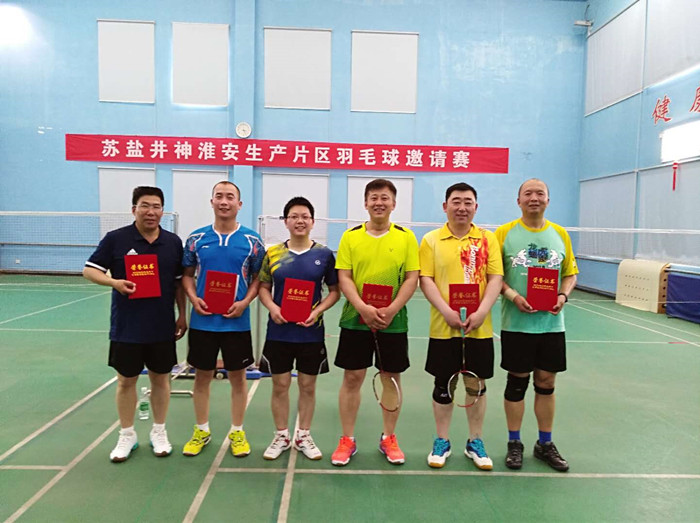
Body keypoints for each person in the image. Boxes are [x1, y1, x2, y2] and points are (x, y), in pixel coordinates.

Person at [83, 186, 187, 463]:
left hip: (161, 325)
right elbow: (89, 270)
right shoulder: (116, 239)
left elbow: (178, 283)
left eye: (156, 206)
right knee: (126, 380)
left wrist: (182, 314)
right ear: (134, 209)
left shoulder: (173, 242)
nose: (151, 211)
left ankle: (159, 431)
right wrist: (114, 282)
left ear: (162, 211)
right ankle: (127, 434)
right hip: (127, 325)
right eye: (145, 206)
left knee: (161, 379)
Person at [331, 178, 420, 466]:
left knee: (390, 378)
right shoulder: (350, 237)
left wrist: (391, 309)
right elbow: (344, 276)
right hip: (355, 319)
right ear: (365, 203)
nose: (379, 203)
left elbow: (412, 278)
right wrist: (362, 307)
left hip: (393, 321)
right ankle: (347, 439)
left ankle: (389, 437)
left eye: (384, 198)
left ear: (393, 203)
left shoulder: (406, 237)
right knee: (352, 378)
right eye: (374, 198)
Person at [495, 178, 578, 472]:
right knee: (517, 382)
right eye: (528, 193)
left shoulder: (560, 234)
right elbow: (494, 277)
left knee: (546, 382)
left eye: (540, 193)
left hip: (551, 325)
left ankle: (544, 443)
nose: (534, 198)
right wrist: (513, 296)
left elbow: (570, 273)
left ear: (547, 200)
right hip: (516, 324)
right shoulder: (504, 233)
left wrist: (563, 295)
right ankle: (514, 443)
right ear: (518, 201)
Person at [419, 182, 503, 469]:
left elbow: (495, 278)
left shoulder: (488, 239)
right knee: (443, 384)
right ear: (445, 206)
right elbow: (426, 279)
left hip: (479, 327)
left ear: (476, 207)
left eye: (468, 202)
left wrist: (482, 311)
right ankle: (442, 440)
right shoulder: (431, 240)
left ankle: (475, 441)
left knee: (476, 385)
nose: (462, 207)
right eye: (456, 201)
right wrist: (446, 311)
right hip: (443, 326)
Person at [181, 181, 265, 458]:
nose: (224, 201)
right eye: (219, 196)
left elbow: (258, 279)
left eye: (230, 197)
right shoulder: (196, 239)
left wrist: (245, 302)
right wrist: (193, 299)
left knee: (238, 378)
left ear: (239, 204)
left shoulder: (252, 241)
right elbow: (187, 275)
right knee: (201, 377)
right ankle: (201, 430)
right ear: (212, 201)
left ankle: (237, 431)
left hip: (236, 322)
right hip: (203, 321)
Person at [257, 197, 340, 461]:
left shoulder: (324, 255)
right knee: (280, 385)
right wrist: (273, 308)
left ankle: (303, 435)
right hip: (279, 331)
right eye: (294, 216)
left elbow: (335, 291)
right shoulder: (273, 253)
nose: (299, 221)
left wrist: (317, 312)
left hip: (310, 332)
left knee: (307, 385)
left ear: (312, 222)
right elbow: (263, 288)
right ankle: (282, 435)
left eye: (305, 216)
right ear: (286, 221)